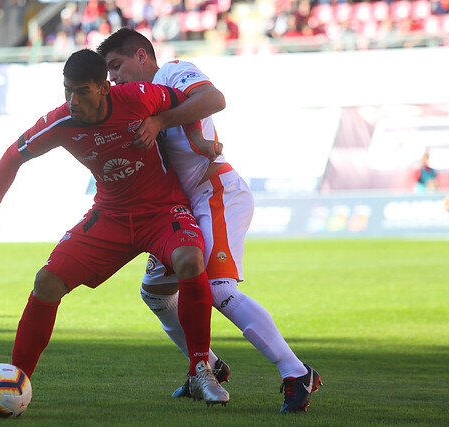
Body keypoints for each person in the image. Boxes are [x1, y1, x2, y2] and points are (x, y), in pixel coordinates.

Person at [0, 48, 229, 405]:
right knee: (46, 283)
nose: (73, 100)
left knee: (190, 259)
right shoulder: (61, 122)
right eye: (67, 90)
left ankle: (201, 371)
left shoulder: (137, 97)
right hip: (111, 216)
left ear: (104, 87)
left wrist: (189, 136)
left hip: (161, 210)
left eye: (82, 91)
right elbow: (13, 157)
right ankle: (15, 382)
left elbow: (188, 101)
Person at [97, 27, 322, 414]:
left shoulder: (172, 71)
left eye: (116, 66)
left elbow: (213, 98)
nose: (114, 78)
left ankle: (296, 371)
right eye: (108, 73)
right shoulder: (137, 104)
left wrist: (160, 122)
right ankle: (207, 365)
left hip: (215, 191)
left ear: (141, 56)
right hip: (184, 207)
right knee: (155, 291)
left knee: (217, 288)